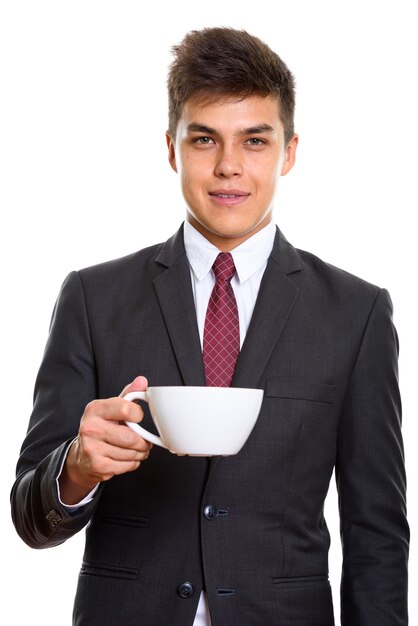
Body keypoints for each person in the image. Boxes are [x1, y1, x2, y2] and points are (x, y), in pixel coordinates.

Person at [11, 27, 409, 626]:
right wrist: (76, 467)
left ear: (289, 151)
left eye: (254, 139)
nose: (228, 166)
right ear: (172, 148)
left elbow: (375, 527)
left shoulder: (356, 313)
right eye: (204, 139)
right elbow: (28, 519)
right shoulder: (93, 298)